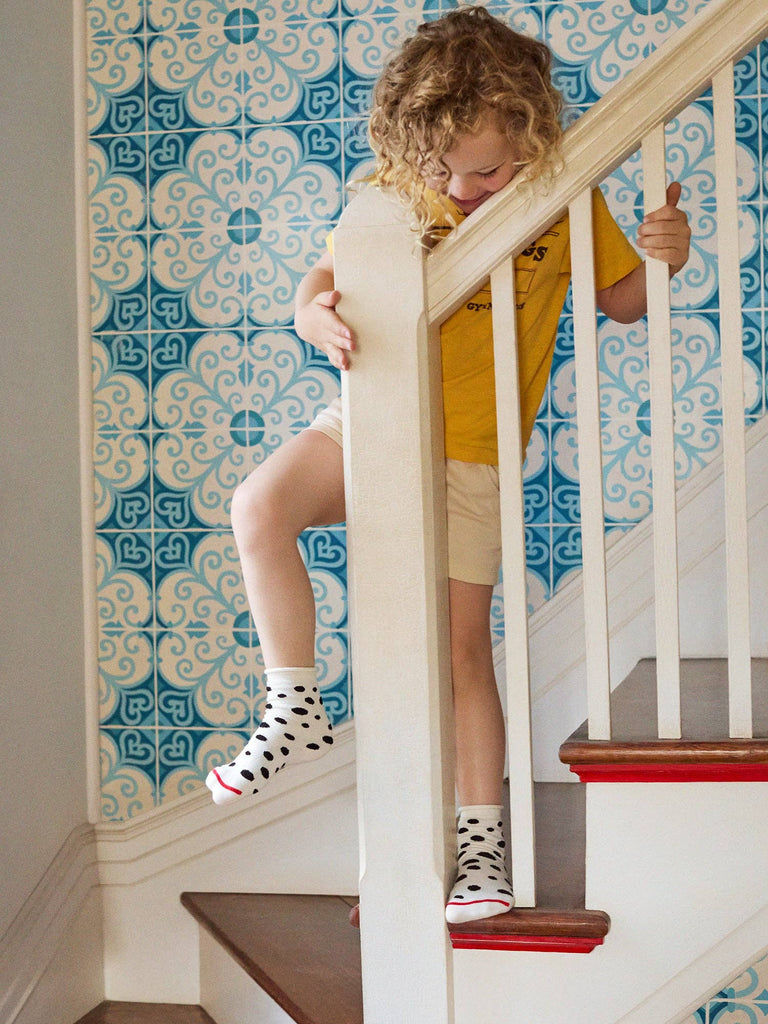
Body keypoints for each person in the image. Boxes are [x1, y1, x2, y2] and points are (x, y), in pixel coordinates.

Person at [205, 6, 691, 925]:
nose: (461, 188)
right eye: (443, 169)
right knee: (258, 508)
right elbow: (325, 279)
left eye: (485, 170)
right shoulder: (392, 193)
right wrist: (311, 314)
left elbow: (623, 300)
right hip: (370, 422)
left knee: (462, 653)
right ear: (409, 148)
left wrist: (666, 252)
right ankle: (295, 704)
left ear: (532, 139)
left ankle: (481, 849)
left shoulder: (563, 196)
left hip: (468, 456)